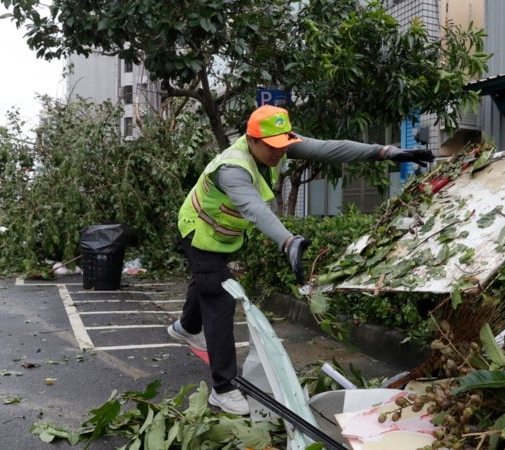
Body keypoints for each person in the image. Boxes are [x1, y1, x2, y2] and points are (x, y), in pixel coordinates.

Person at [167, 105, 434, 414]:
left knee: (206, 281)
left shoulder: (276, 145)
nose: (278, 152)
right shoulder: (233, 168)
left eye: (282, 145)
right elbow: (255, 209)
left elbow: (329, 149)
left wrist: (385, 152)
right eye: (270, 146)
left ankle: (186, 327)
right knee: (219, 296)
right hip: (198, 229)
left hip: (223, 234)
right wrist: (288, 241)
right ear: (252, 139)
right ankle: (224, 388)